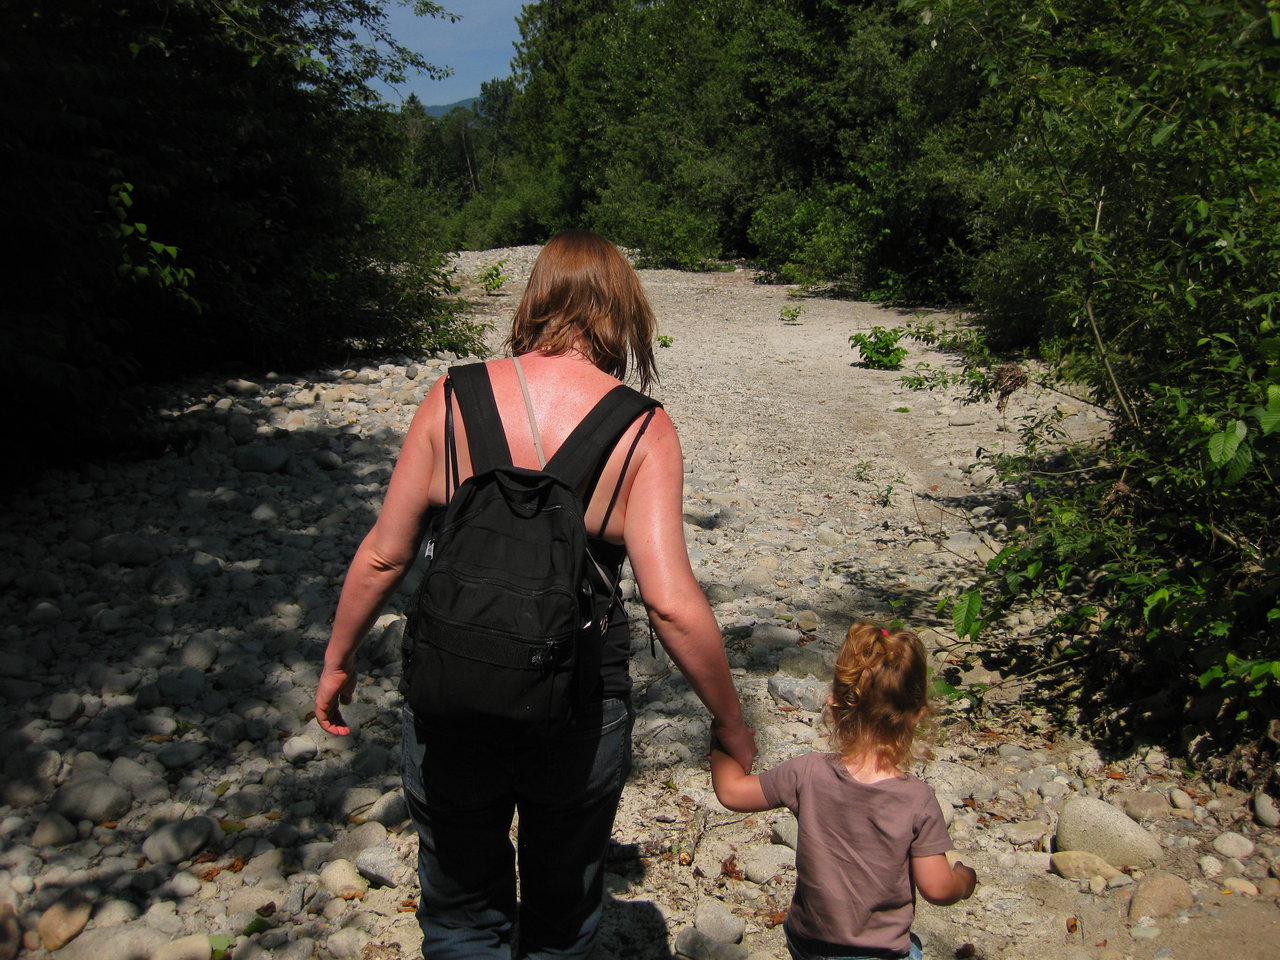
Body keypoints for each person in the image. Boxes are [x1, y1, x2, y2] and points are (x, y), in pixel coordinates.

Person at [315, 229, 756, 960]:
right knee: (562, 916)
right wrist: (731, 719)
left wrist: (338, 659)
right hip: (579, 703)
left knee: (460, 914)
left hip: (452, 688)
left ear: (537, 299)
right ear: (623, 311)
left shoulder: (452, 398)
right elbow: (671, 604)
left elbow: (386, 553)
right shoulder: (642, 429)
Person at [709, 622, 976, 960]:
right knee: (912, 950)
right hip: (877, 953)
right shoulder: (917, 800)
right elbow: (937, 889)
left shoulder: (807, 772)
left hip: (807, 942)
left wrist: (723, 736)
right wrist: (963, 880)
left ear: (834, 706)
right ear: (917, 715)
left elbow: (731, 792)